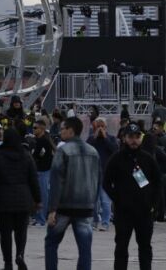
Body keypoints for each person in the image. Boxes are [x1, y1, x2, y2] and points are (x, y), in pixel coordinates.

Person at [103, 123, 162, 270]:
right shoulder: (116, 158)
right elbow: (106, 182)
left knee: (145, 248)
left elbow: (157, 183)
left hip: (144, 212)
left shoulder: (148, 159)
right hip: (124, 213)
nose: (134, 140)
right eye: (130, 137)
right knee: (121, 247)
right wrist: (117, 199)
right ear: (124, 138)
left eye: (137, 137)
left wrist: (154, 205)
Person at [45, 116, 101, 270]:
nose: (61, 131)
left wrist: (52, 210)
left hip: (64, 206)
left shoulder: (62, 150)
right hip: (85, 207)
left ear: (70, 130)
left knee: (51, 243)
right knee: (85, 250)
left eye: (62, 128)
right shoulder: (93, 151)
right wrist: (94, 206)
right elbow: (97, 181)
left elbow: (56, 181)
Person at [0, 128, 40, 270]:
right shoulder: (26, 156)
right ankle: (20, 255)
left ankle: (7, 263)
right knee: (21, 232)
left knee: (5, 234)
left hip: (4, 200)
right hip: (23, 199)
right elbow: (33, 180)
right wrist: (38, 199)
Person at [86, 117, 118, 231]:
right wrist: (95, 137)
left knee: (105, 201)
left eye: (102, 126)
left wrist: (105, 138)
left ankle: (105, 223)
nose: (99, 129)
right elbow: (86, 150)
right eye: (97, 126)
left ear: (106, 127)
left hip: (106, 174)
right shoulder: (91, 138)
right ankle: (94, 221)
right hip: (93, 173)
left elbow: (115, 150)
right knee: (93, 201)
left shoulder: (111, 138)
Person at [31, 119, 54, 226]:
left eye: (35, 128)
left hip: (43, 171)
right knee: (39, 195)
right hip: (39, 171)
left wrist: (34, 158)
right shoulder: (37, 140)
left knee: (43, 195)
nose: (33, 129)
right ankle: (38, 217)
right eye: (33, 127)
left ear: (42, 129)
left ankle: (41, 219)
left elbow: (39, 155)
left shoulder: (43, 141)